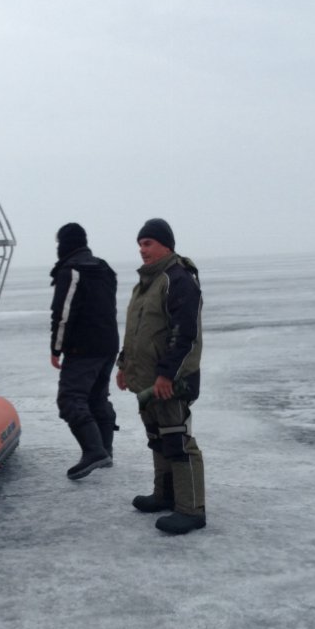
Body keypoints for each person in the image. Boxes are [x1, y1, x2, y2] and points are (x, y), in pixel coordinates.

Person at [116, 218, 206, 534]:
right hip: (146, 379)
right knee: (158, 438)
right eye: (140, 244)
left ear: (166, 245)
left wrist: (167, 375)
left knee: (177, 440)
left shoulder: (178, 280)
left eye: (148, 243)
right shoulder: (146, 283)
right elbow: (136, 331)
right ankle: (165, 495)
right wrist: (124, 364)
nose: (142, 250)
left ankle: (191, 510)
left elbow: (184, 334)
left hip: (171, 381)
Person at [50, 223, 120, 480]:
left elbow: (63, 314)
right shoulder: (104, 268)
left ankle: (94, 451)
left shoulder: (72, 271)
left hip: (84, 347)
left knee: (70, 399)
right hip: (108, 344)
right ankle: (105, 451)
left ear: (65, 243)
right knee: (97, 397)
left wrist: (56, 348)